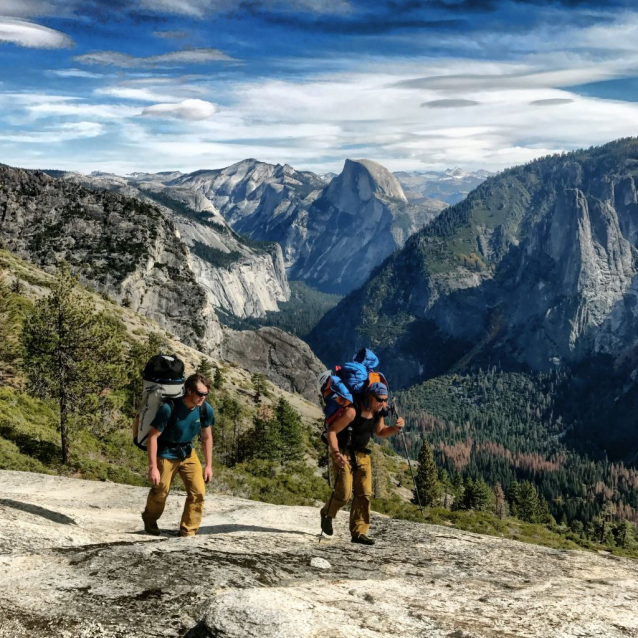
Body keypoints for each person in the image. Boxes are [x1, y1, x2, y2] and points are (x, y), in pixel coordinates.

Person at [320, 382, 404, 545]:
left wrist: (394, 428)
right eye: (380, 399)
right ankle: (327, 513)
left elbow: (380, 432)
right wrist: (336, 453)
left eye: (385, 400)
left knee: (364, 494)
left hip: (363, 455)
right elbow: (331, 431)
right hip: (343, 454)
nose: (383, 403)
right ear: (369, 397)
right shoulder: (352, 412)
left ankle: (359, 533)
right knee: (344, 494)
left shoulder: (378, 413)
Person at [142, 373, 214, 537]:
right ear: (189, 391)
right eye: (200, 394)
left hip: (188, 453)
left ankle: (188, 531)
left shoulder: (204, 409)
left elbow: (207, 437)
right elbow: (153, 437)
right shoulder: (169, 408)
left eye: (205, 394)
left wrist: (208, 465)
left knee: (198, 493)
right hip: (166, 453)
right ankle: (150, 520)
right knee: (161, 491)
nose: (203, 397)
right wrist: (153, 467)